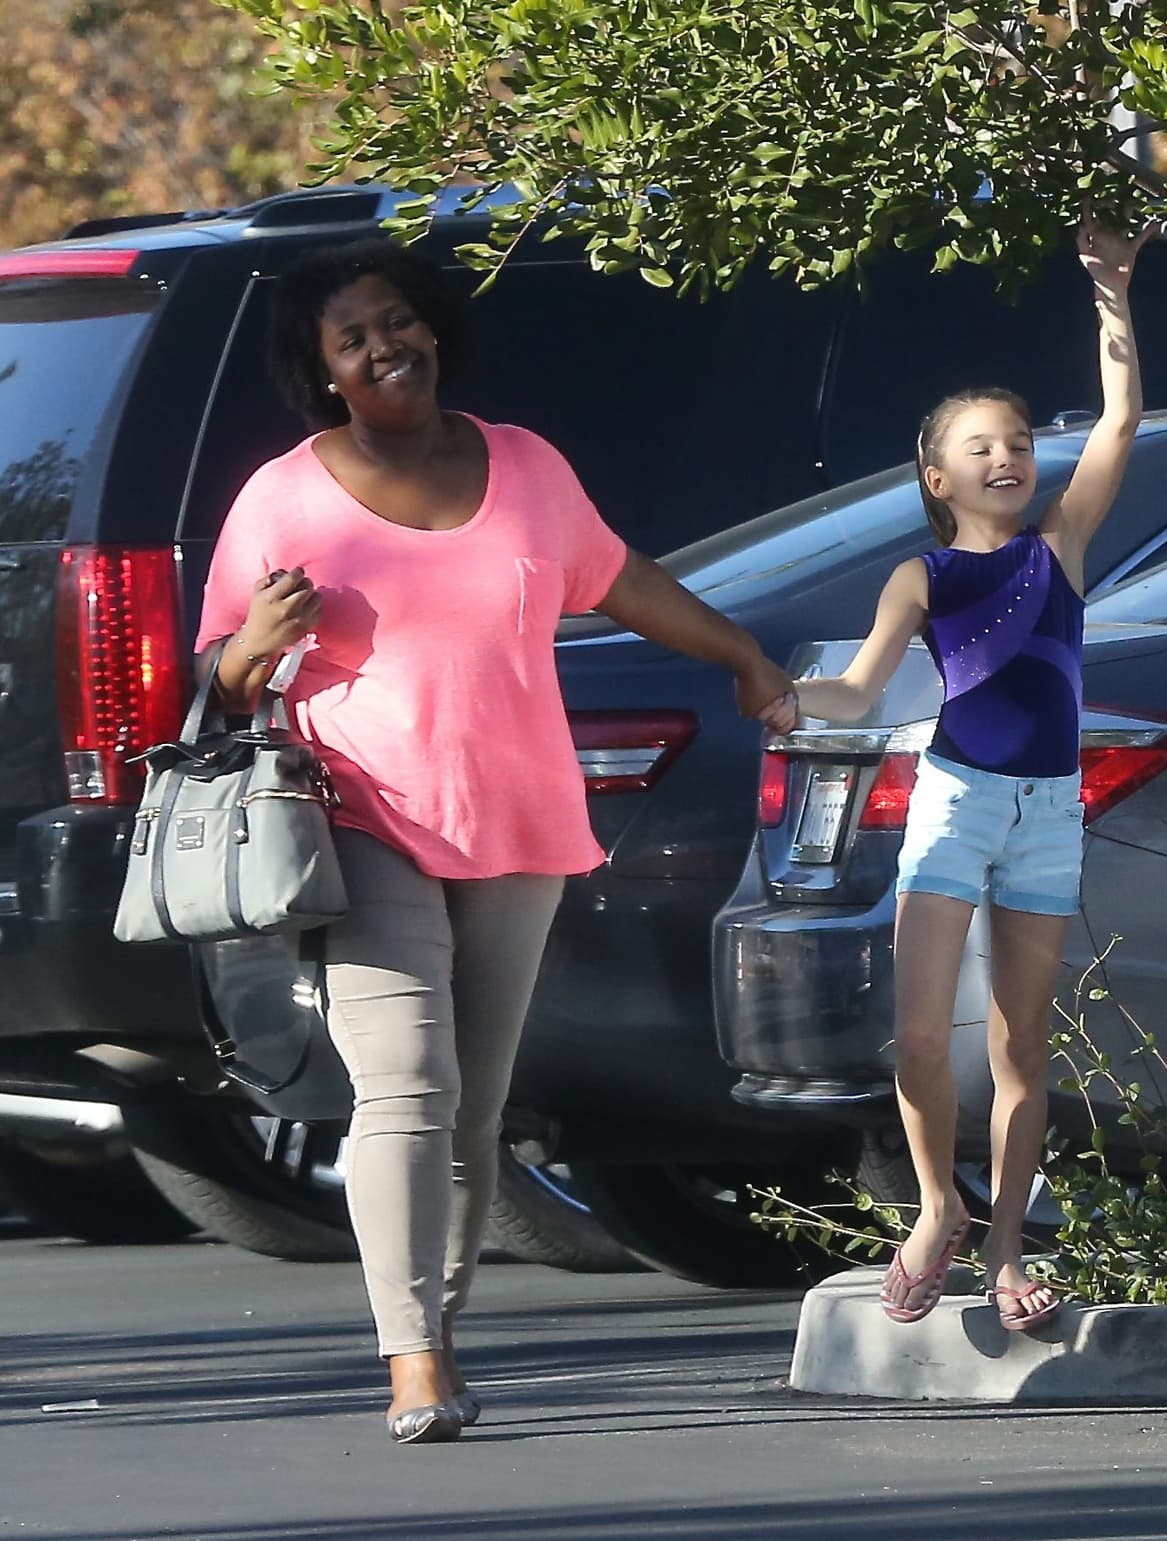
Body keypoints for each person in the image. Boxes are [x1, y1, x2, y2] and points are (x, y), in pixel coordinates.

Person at [194, 238, 796, 1444]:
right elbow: (214, 678)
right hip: (356, 813)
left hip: (515, 816)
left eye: (396, 320)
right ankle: (412, 1351)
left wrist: (739, 652)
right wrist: (255, 637)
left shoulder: (522, 465)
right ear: (322, 376)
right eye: (352, 338)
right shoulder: (285, 493)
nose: (384, 346)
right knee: (405, 1084)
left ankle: (442, 1315)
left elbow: (616, 576)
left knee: (473, 1111)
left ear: (432, 328)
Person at [785, 213, 1154, 1330]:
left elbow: (1122, 419)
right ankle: (936, 1206)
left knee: (1018, 1046)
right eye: (981, 446)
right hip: (954, 803)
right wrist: (783, 696)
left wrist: (1109, 291)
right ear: (935, 474)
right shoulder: (923, 576)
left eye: (1018, 442)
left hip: (1047, 811)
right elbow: (857, 691)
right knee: (913, 1036)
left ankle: (1002, 1250)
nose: (1008, 456)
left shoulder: (1058, 551)